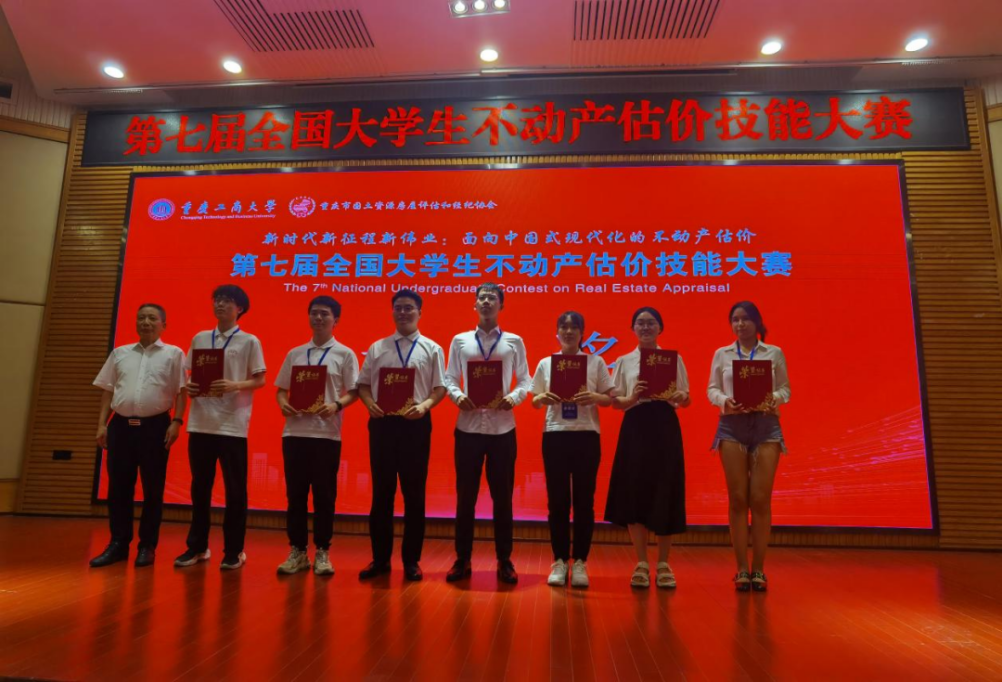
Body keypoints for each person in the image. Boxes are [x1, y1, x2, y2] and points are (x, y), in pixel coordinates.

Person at [443, 283, 531, 584]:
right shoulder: (460, 341)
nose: (486, 301)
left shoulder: (514, 341)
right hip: (467, 427)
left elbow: (526, 381)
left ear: (501, 306)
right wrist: (457, 396)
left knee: (503, 497)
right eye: (481, 298)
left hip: (502, 428)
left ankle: (504, 560)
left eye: (492, 298)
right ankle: (462, 559)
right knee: (465, 497)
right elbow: (450, 378)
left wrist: (514, 398)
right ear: (475, 305)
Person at [356, 289, 446, 582]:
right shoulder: (377, 347)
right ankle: (380, 559)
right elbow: (363, 385)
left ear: (420, 312)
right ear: (392, 312)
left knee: (414, 494)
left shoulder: (431, 348)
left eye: (409, 308)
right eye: (398, 308)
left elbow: (439, 388)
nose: (403, 312)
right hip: (382, 424)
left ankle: (411, 560)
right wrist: (369, 404)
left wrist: (425, 406)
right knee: (382, 493)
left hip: (415, 424)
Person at [175, 284, 266, 571]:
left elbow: (260, 380)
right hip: (200, 422)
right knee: (199, 488)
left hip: (232, 425)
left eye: (227, 301)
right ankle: (197, 546)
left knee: (235, 491)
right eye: (217, 300)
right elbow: (188, 375)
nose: (220, 305)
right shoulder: (201, 337)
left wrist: (234, 385)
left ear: (240, 308)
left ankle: (234, 550)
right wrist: (190, 387)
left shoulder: (250, 341)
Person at [90, 304, 187, 568]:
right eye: (141, 317)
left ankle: (147, 546)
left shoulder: (174, 354)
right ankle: (118, 544)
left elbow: (181, 391)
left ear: (163, 325)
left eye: (152, 318)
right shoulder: (120, 353)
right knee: (118, 488)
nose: (146, 322)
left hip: (156, 427)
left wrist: (177, 421)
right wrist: (102, 425)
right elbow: (108, 391)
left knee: (153, 489)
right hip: (120, 427)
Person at [604, 306, 690, 589]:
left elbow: (686, 398)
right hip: (636, 426)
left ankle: (664, 563)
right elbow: (616, 402)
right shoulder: (624, 361)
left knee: (666, 488)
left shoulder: (673, 359)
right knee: (635, 490)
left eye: (651, 323)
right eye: (640, 323)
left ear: (660, 328)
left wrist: (680, 395)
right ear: (633, 329)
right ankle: (641, 562)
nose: (645, 327)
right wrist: (633, 396)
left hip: (665, 425)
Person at [707, 301, 790, 592]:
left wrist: (773, 399)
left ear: (757, 322)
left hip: (766, 425)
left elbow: (785, 389)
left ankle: (759, 569)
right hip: (732, 426)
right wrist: (724, 401)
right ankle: (742, 568)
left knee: (760, 499)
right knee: (738, 498)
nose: (740, 324)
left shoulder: (773, 352)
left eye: (745, 319)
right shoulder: (722, 353)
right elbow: (712, 389)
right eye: (735, 319)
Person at [274, 295, 359, 577]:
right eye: (314, 313)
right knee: (295, 496)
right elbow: (281, 390)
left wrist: (336, 405)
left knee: (324, 496)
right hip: (294, 433)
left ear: (336, 320)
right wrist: (283, 404)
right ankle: (298, 551)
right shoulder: (295, 353)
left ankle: (323, 551)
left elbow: (354, 392)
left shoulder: (345, 354)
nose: (318, 318)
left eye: (324, 314)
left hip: (326, 436)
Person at [530, 311, 615, 588]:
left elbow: (609, 399)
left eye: (574, 327)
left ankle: (580, 561)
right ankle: (559, 560)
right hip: (555, 435)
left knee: (584, 502)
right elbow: (534, 400)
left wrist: (594, 396)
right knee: (557, 502)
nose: (568, 332)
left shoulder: (595, 362)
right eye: (563, 327)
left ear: (582, 333)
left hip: (586, 435)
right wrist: (542, 397)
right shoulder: (546, 363)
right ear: (557, 332)